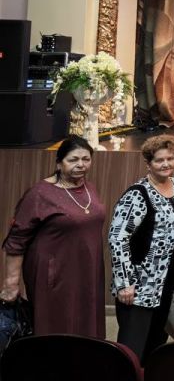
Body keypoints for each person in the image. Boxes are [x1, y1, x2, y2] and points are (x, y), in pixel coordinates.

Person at [2, 136, 105, 337]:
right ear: (59, 163)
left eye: (86, 159)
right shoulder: (40, 193)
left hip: (87, 269)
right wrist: (11, 283)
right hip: (53, 272)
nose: (81, 165)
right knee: (56, 322)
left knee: (84, 318)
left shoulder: (89, 188)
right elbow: (16, 240)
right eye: (73, 159)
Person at [108, 135, 174, 360]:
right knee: (132, 348)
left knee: (156, 343)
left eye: (170, 158)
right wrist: (125, 283)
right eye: (159, 160)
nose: (166, 164)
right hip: (140, 285)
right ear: (148, 164)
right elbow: (118, 239)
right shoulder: (137, 194)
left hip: (168, 282)